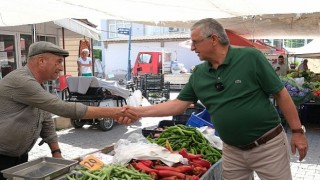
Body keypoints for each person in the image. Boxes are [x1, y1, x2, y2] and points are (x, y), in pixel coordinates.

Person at [121, 18, 308, 180]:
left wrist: (297, 131)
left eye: (195, 42)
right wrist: (139, 111)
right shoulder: (199, 73)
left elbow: (280, 94)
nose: (192, 47)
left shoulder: (251, 57)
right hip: (232, 150)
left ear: (213, 39)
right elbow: (178, 104)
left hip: (268, 146)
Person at [0, 41, 139, 179]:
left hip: (19, 156)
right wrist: (117, 112)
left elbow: (46, 120)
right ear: (41, 60)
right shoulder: (21, 81)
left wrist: (56, 152)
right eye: (58, 62)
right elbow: (62, 108)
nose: (61, 68)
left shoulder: (37, 85)